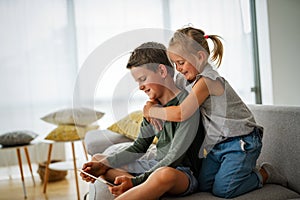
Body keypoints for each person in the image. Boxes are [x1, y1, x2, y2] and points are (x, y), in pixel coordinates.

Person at [143, 27, 287, 198]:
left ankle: (263, 174)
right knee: (204, 185)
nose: (178, 68)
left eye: (181, 63)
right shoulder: (185, 78)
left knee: (224, 190)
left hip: (241, 140)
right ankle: (239, 170)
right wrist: (150, 103)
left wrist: (153, 111)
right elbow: (169, 93)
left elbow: (182, 113)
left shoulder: (208, 80)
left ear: (200, 57)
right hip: (217, 144)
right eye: (175, 64)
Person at [80, 42, 204, 199]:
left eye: (143, 79)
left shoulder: (187, 105)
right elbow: (139, 147)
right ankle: (145, 189)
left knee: (164, 175)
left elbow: (174, 157)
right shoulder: (152, 109)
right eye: (138, 81)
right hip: (154, 165)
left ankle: (140, 186)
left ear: (161, 70)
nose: (140, 87)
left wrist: (136, 181)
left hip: (182, 173)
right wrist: (103, 165)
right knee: (99, 159)